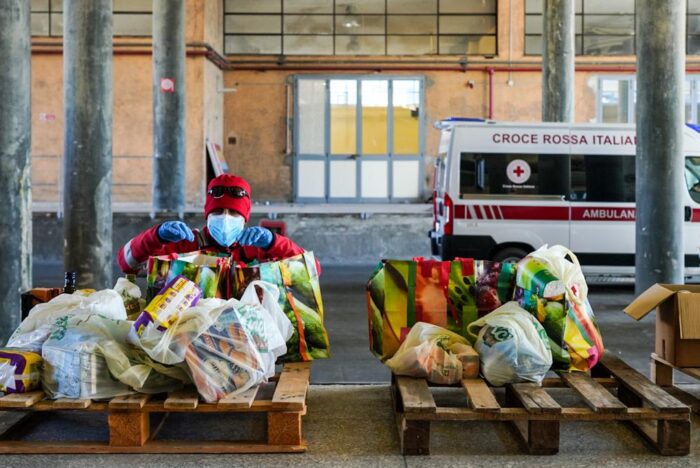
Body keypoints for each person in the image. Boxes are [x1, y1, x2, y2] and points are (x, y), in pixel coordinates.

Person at [117, 174, 317, 274]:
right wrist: (156, 236)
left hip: (252, 344)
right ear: (207, 214)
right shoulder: (186, 244)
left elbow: (311, 271)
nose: (225, 217)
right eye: (218, 211)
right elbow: (127, 263)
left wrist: (274, 242)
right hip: (191, 344)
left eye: (233, 212)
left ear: (245, 217)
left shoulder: (259, 249)